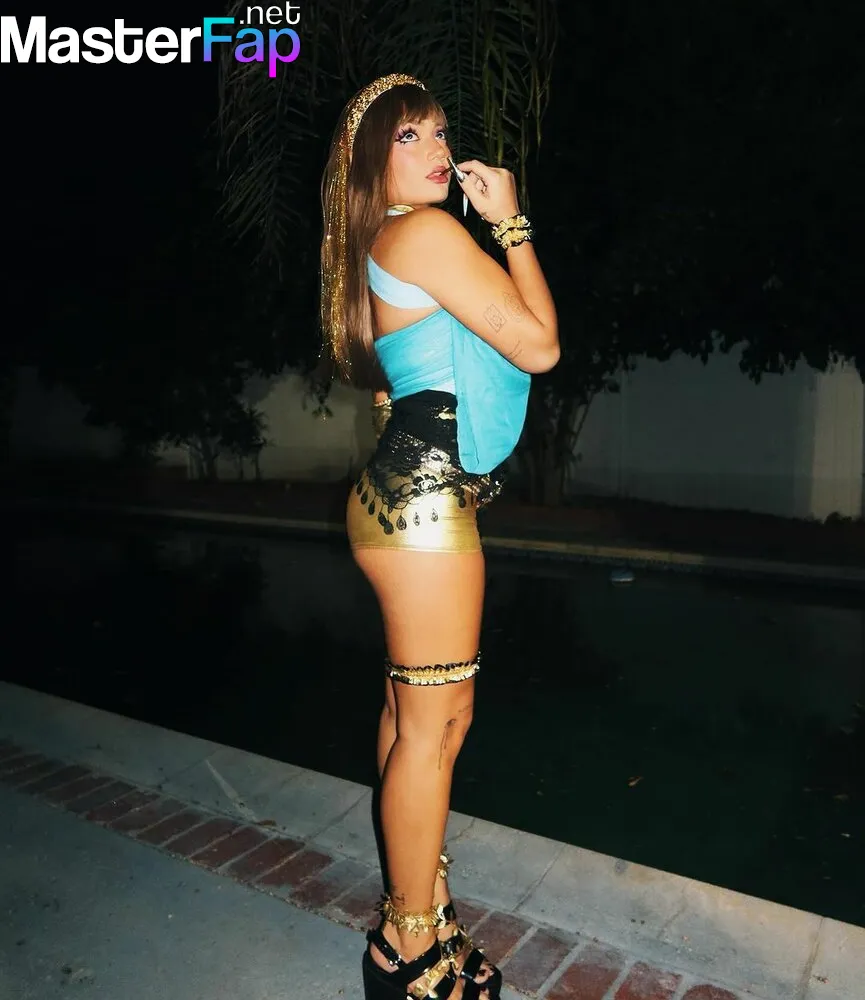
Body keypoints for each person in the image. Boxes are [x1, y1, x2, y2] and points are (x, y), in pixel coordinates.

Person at [319, 73, 559, 1000]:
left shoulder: (380, 243)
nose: (436, 150)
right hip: (421, 507)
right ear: (371, 161)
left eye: (438, 132)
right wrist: (511, 224)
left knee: (409, 717)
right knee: (438, 725)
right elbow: (537, 345)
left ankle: (424, 908)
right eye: (408, 135)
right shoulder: (423, 232)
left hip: (401, 497)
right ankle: (407, 949)